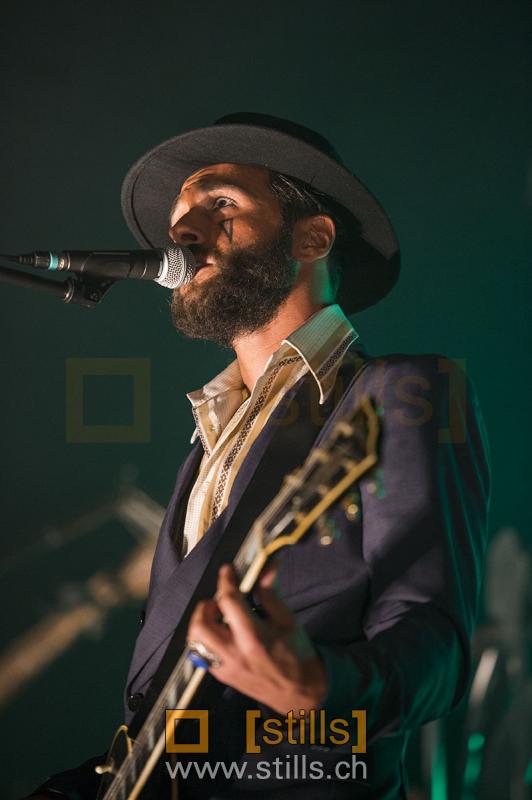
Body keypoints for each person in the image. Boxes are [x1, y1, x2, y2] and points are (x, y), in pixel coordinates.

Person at [30, 113, 490, 799]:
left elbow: (438, 647)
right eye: (178, 218)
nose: (182, 232)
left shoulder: (406, 392)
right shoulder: (208, 435)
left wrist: (321, 688)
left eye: (220, 204)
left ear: (312, 238)